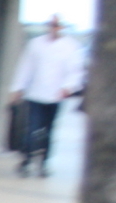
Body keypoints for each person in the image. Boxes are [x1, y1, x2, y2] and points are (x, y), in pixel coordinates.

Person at [7, 16, 84, 178]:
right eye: (51, 25)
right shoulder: (35, 44)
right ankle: (26, 159)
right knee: (32, 128)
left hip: (55, 96)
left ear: (62, 28)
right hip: (35, 94)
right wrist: (18, 88)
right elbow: (26, 67)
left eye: (57, 26)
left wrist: (68, 87)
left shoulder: (71, 47)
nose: (54, 28)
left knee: (48, 130)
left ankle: (44, 163)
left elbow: (75, 71)